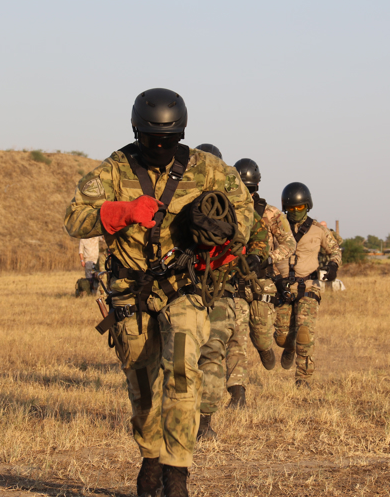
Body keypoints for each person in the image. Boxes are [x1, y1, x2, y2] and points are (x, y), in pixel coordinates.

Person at [64, 89, 254, 497]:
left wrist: (223, 235)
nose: (161, 147)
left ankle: (177, 473)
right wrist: (120, 212)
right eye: (153, 141)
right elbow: (74, 218)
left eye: (170, 141)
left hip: (184, 289)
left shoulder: (207, 168)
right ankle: (150, 457)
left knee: (183, 373)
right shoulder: (115, 168)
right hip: (130, 291)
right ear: (137, 133)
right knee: (142, 383)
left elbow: (244, 211)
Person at [195, 146, 270, 441]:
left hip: (222, 287)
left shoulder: (236, 204)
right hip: (179, 288)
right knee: (177, 356)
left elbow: (259, 236)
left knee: (216, 350)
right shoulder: (175, 199)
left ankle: (205, 421)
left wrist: (254, 257)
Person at [273, 182, 341, 388]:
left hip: (309, 287)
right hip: (282, 288)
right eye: (292, 208)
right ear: (285, 207)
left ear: (308, 206)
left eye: (300, 208)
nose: (295, 212)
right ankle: (289, 347)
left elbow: (335, 250)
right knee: (281, 338)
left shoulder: (318, 230)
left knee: (304, 332)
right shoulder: (276, 229)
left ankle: (303, 378)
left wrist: (333, 265)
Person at [232, 158, 296, 376]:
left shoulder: (271, 214)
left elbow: (289, 243)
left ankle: (264, 349)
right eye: (241, 188)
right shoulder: (225, 211)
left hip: (262, 281)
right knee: (235, 336)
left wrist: (268, 258)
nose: (246, 193)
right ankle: (237, 386)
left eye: (249, 189)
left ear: (257, 187)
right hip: (234, 280)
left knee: (261, 336)